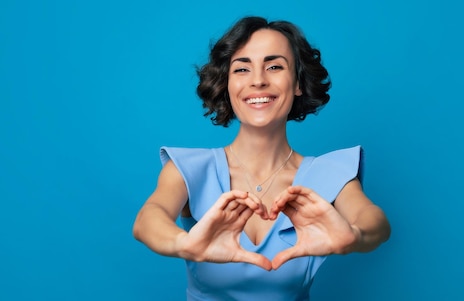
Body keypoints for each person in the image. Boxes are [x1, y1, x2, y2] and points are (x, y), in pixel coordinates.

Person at [133, 16, 391, 300]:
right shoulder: (190, 169)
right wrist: (185, 245)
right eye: (242, 69)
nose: (258, 80)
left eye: (275, 66)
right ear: (227, 84)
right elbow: (148, 219)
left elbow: (374, 221)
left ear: (298, 83)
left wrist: (355, 237)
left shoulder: (327, 174)